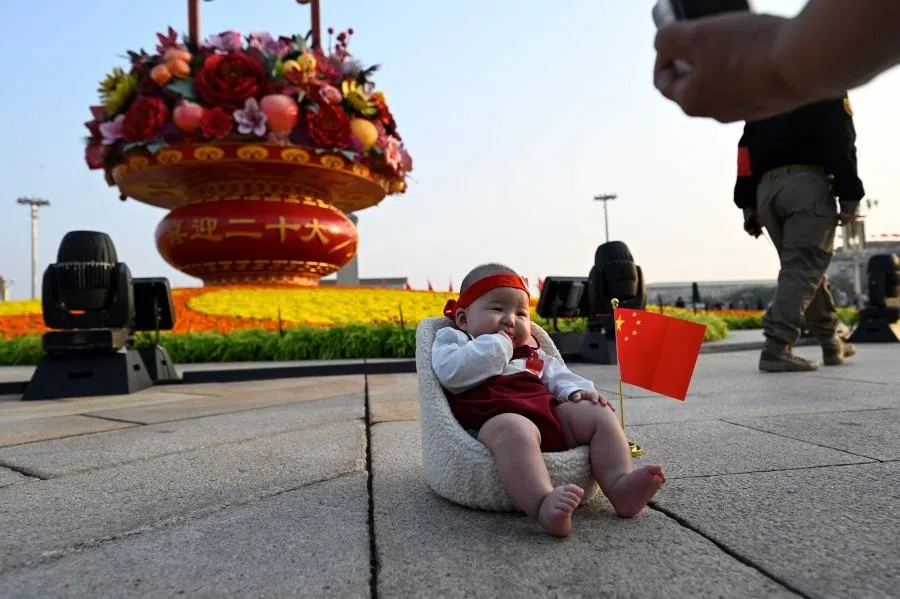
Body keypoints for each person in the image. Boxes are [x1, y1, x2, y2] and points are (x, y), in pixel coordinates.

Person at [431, 263, 666, 537]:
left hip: (549, 417)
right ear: (463, 318)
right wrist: (499, 344)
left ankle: (619, 485)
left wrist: (579, 392)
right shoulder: (455, 340)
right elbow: (452, 373)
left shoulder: (532, 352)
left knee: (598, 415)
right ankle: (542, 503)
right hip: (495, 418)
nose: (510, 320)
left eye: (521, 313)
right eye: (497, 310)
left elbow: (558, 376)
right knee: (515, 431)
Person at [735, 94, 863, 372]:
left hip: (767, 193)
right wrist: (850, 194)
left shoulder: (762, 92)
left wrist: (747, 204)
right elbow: (841, 138)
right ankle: (776, 347)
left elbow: (745, 152)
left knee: (804, 271)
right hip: (807, 186)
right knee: (803, 269)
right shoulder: (824, 81)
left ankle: (831, 341)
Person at [653, 0, 900, 123]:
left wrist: (778, 62)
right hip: (804, 184)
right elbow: (837, 134)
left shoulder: (754, 95)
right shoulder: (825, 92)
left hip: (771, 190)